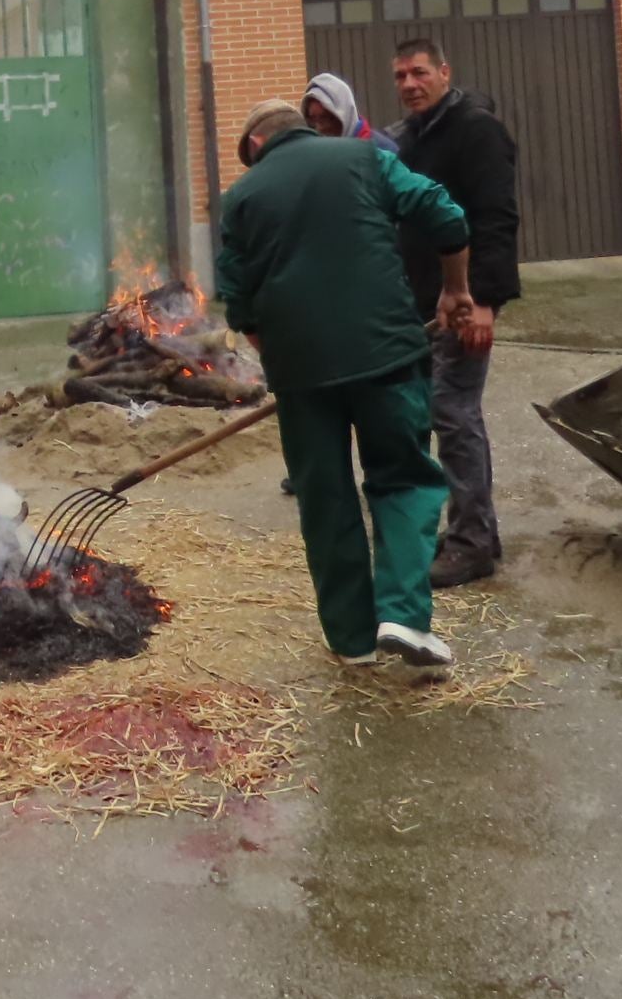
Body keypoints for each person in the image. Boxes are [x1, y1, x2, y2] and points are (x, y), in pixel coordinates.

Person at [217, 98, 478, 669]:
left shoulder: (239, 197)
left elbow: (238, 303)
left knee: (323, 496)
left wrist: (289, 354)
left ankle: (350, 639)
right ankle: (404, 617)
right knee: (403, 479)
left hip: (300, 374)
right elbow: (445, 214)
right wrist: (455, 288)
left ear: (256, 147)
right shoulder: (365, 158)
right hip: (386, 353)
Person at [387, 39, 516, 588]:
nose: (410, 84)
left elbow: (497, 217)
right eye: (400, 76)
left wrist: (482, 299)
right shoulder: (413, 135)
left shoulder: (475, 129)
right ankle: (475, 528)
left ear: (445, 71)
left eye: (419, 73)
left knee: (453, 413)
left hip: (462, 303)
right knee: (445, 413)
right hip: (424, 303)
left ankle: (472, 545)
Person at [301, 72, 384, 145]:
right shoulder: (315, 156)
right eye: (313, 120)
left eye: (324, 118)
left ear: (344, 115)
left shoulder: (380, 152)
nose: (319, 128)